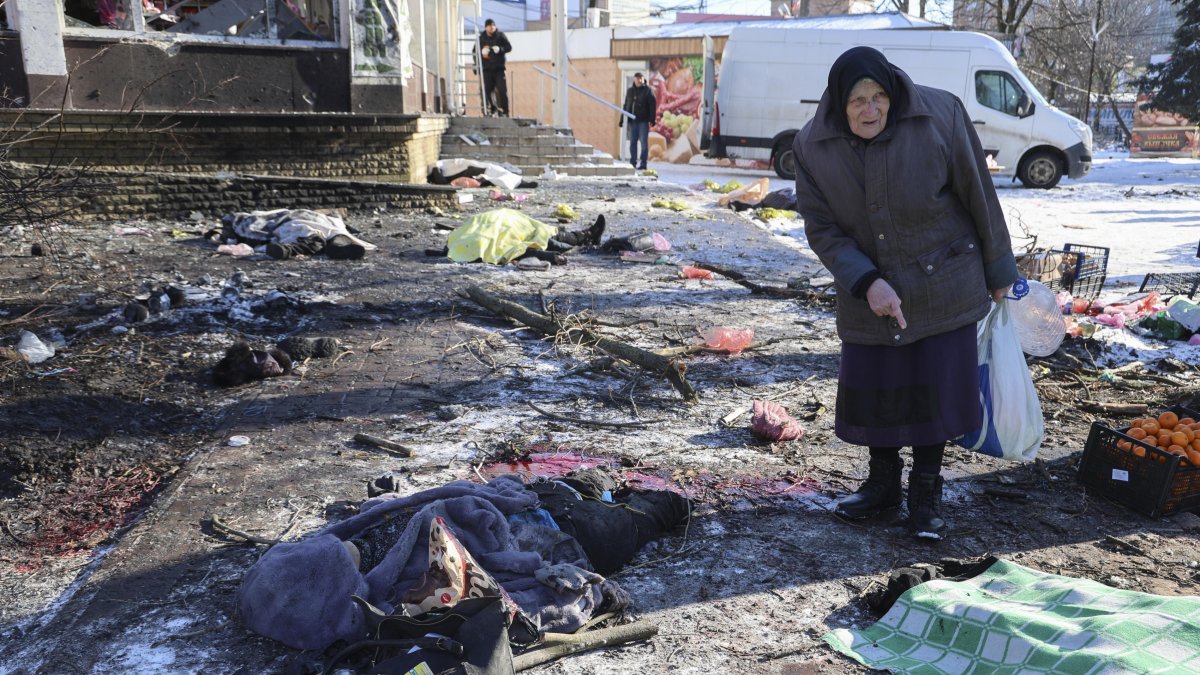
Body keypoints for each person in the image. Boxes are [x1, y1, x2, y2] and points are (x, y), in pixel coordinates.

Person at [792, 47, 1018, 540]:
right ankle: (882, 485)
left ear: (892, 93)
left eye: (878, 97)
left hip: (944, 281)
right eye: (857, 101)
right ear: (838, 101)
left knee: (932, 391)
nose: (870, 110)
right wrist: (867, 281)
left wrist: (999, 268)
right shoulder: (813, 144)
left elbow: (979, 192)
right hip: (867, 289)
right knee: (882, 389)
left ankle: (926, 493)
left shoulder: (941, 116)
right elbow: (822, 228)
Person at [620, 72, 656, 170]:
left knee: (644, 142)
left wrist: (652, 119)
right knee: (633, 142)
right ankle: (633, 162)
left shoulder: (648, 90)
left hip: (643, 121)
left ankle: (643, 163)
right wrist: (622, 118)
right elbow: (626, 105)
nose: (639, 80)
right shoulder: (630, 91)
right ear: (634, 80)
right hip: (632, 121)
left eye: (641, 78)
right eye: (637, 78)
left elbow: (652, 105)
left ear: (643, 79)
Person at [477, 19, 512, 117]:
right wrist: (481, 53)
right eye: (489, 26)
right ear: (485, 27)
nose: (491, 27)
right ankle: (491, 110)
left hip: (499, 69)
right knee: (487, 90)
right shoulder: (481, 39)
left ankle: (504, 111)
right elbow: (475, 53)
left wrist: (500, 49)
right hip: (487, 69)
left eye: (493, 25)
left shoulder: (500, 36)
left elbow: (509, 47)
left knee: (502, 90)